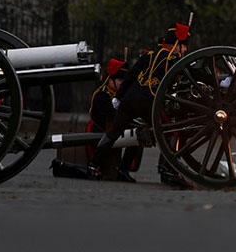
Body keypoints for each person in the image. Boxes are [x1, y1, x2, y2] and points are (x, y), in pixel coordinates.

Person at [93, 22, 191, 187]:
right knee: (172, 131)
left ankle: (93, 165)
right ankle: (168, 170)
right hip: (149, 103)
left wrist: (118, 97)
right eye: (184, 46)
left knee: (113, 133)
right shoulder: (174, 59)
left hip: (129, 100)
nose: (185, 50)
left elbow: (131, 75)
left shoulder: (149, 55)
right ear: (177, 44)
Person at [51, 58, 141, 181]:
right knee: (106, 174)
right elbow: (111, 116)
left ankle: (124, 168)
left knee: (138, 135)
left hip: (116, 131)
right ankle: (92, 165)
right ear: (110, 80)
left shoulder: (124, 94)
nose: (122, 84)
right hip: (99, 132)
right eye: (120, 80)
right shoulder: (102, 95)